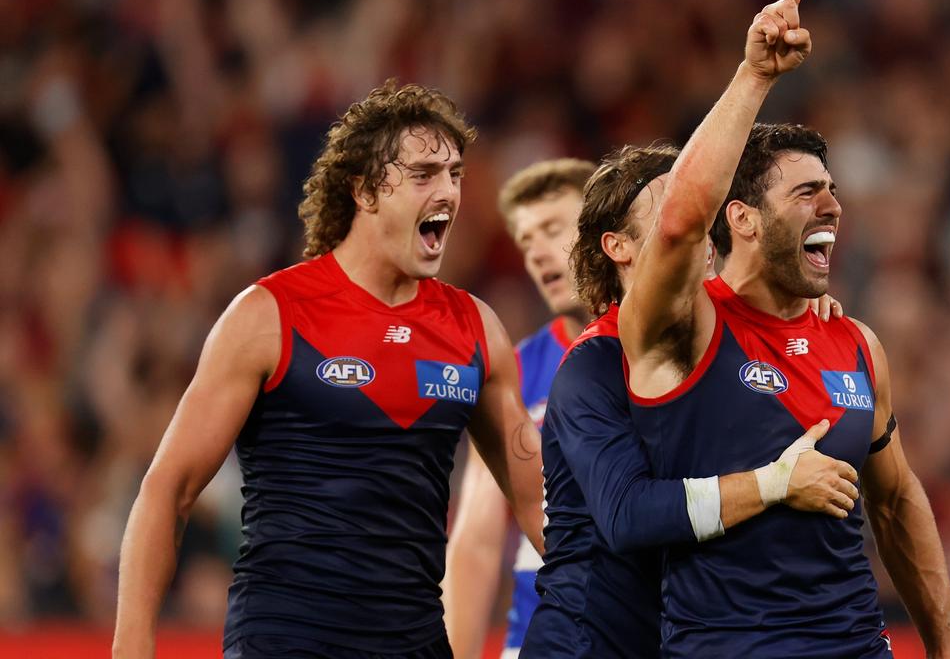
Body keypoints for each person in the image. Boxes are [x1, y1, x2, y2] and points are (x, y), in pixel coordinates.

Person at [112, 81, 546, 659]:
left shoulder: (476, 331)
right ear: (365, 191)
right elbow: (169, 492)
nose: (447, 192)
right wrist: (131, 647)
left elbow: (544, 509)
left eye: (455, 174)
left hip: (414, 645)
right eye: (423, 175)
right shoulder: (269, 315)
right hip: (285, 642)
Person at [618, 0, 950, 658]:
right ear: (741, 218)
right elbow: (681, 219)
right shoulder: (687, 326)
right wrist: (756, 76)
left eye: (832, 189)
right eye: (806, 193)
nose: (833, 205)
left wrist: (946, 650)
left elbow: (896, 503)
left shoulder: (857, 345)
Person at [524, 136, 860, 658]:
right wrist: (773, 485)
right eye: (673, 218)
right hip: (588, 643)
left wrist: (796, 308)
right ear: (619, 247)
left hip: (672, 640)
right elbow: (627, 517)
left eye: (703, 216)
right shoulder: (593, 365)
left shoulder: (721, 349)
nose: (695, 232)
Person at [442, 158, 596, 659]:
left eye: (554, 229)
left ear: (606, 230)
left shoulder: (671, 343)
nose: (539, 255)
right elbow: (477, 541)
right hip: (537, 637)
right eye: (526, 242)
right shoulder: (519, 367)